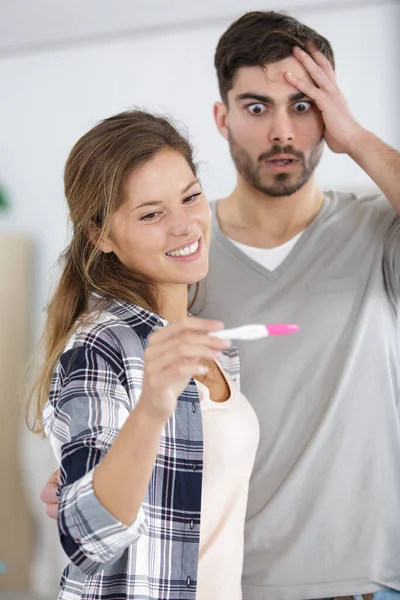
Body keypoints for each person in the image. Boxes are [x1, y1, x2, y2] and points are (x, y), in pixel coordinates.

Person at [41, 10, 400, 600]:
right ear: (223, 119)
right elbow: (128, 421)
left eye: (304, 105)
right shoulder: (181, 262)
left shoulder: (376, 231)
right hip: (231, 580)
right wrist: (102, 466)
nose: (281, 130)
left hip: (366, 581)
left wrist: (355, 137)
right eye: (257, 107)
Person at [28, 109, 260, 600]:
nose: (185, 226)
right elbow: (85, 539)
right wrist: (153, 407)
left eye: (191, 197)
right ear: (101, 236)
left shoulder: (212, 348)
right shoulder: (101, 346)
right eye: (151, 213)